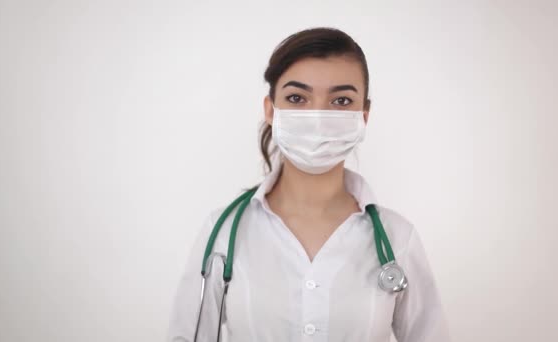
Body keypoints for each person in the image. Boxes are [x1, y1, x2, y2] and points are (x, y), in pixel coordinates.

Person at [167, 27, 451, 342]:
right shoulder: (221, 232)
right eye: (297, 98)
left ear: (364, 117)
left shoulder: (398, 238)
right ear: (270, 111)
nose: (317, 117)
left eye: (341, 100)